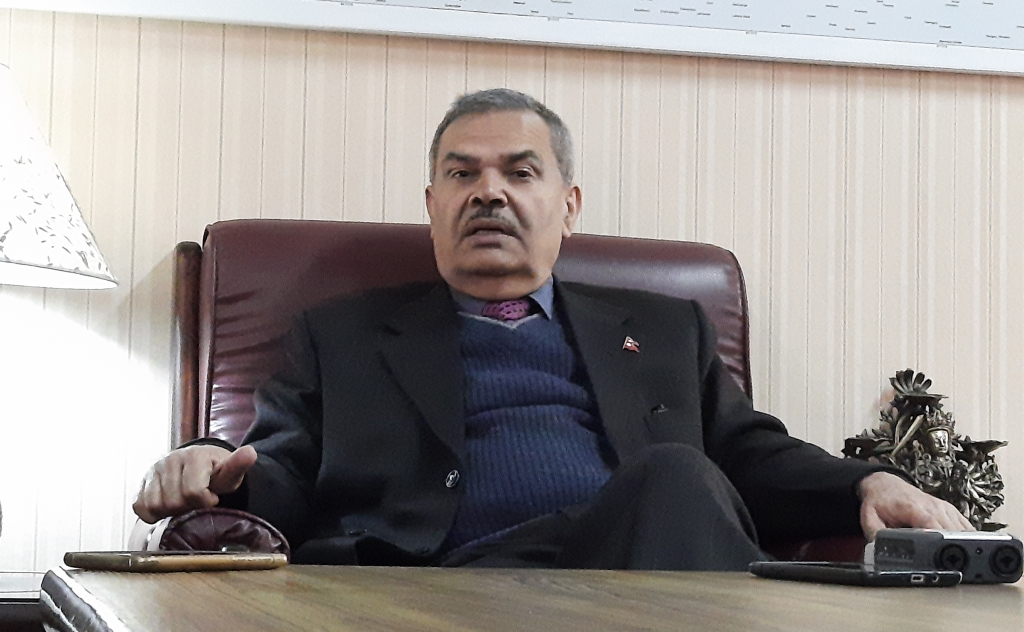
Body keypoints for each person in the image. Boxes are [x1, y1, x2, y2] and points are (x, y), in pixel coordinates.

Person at [133, 88, 972, 569]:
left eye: (519, 171)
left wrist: (865, 483)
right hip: (438, 583)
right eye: (462, 174)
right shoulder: (341, 335)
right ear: (432, 205)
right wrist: (212, 466)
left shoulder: (663, 330)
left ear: (567, 206)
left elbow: (748, 452)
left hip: (634, 568)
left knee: (677, 475)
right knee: (676, 477)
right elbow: (279, 467)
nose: (488, 192)